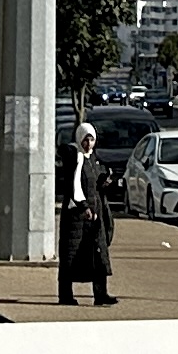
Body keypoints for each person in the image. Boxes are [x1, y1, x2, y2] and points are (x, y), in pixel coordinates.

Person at [56, 119, 117, 306]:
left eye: (92, 140)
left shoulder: (92, 159)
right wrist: (83, 207)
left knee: (98, 254)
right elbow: (73, 184)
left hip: (94, 215)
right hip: (76, 217)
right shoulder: (75, 157)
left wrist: (104, 182)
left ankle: (101, 294)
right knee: (70, 255)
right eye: (86, 140)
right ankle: (65, 295)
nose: (88, 144)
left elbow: (94, 185)